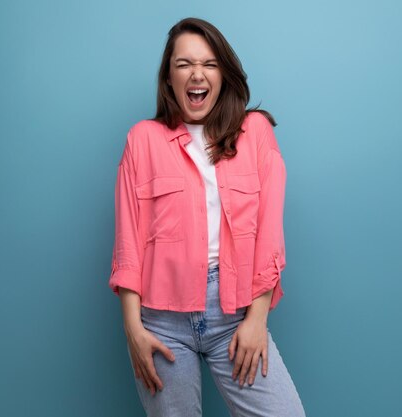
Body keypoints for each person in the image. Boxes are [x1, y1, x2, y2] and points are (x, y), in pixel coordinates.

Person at [108, 17, 306, 417]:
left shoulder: (255, 132)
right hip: (161, 321)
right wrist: (133, 329)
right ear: (169, 78)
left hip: (235, 315)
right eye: (183, 64)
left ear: (223, 73)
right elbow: (128, 241)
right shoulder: (142, 140)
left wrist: (257, 317)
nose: (196, 74)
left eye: (209, 63)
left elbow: (270, 234)